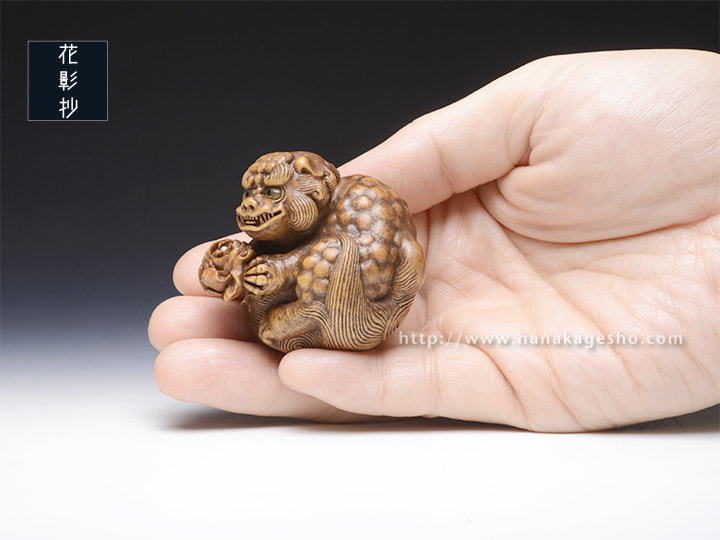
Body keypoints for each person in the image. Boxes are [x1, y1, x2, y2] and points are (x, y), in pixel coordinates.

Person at [148, 49, 720, 431]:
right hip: (315, 305)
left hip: (358, 303)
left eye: (271, 195)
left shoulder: (359, 198)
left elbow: (368, 269)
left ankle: (299, 306)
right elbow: (272, 282)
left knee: (331, 262)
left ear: (312, 188)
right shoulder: (281, 239)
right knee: (267, 318)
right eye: (250, 196)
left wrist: (287, 272)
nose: (253, 207)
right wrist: (242, 274)